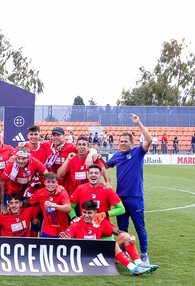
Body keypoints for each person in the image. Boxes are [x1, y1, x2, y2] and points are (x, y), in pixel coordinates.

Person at [60, 200, 157, 276]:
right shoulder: (76, 223)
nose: (86, 215)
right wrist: (66, 239)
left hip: (99, 254)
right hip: (85, 257)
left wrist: (131, 236)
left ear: (95, 212)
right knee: (113, 244)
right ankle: (132, 268)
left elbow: (117, 232)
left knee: (126, 237)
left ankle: (139, 263)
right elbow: (67, 240)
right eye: (84, 212)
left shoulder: (100, 221)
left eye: (89, 213)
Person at [106, 113, 152, 264]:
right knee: (122, 228)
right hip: (120, 199)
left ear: (132, 143)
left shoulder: (137, 152)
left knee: (140, 227)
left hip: (135, 197)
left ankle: (144, 254)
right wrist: (94, 156)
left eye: (126, 141)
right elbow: (105, 166)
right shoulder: (117, 156)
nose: (123, 143)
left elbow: (149, 140)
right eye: (121, 141)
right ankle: (124, 254)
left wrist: (138, 123)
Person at [0, 147, 48, 211]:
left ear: (29, 158)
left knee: (32, 215)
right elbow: (2, 183)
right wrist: (2, 204)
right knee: (9, 212)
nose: (21, 161)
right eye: (19, 158)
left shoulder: (34, 162)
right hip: (13, 191)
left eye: (24, 159)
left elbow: (48, 175)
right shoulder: (12, 164)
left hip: (28, 192)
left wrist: (57, 186)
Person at [28, 172, 71, 238]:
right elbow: (29, 202)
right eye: (48, 182)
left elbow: (68, 208)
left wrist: (54, 206)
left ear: (57, 183)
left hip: (62, 231)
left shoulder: (62, 192)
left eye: (53, 182)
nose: (50, 184)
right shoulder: (39, 193)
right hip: (47, 231)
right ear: (44, 182)